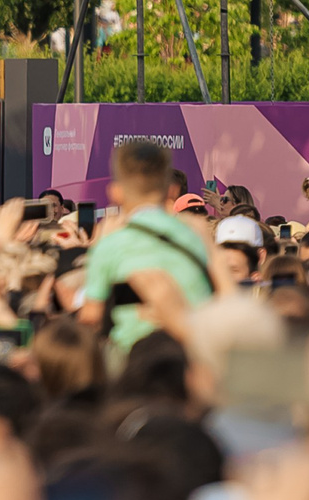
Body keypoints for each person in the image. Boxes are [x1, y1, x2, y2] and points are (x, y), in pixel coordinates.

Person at [80, 139, 213, 346]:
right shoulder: (197, 238)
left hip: (129, 359)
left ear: (115, 192)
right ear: (172, 190)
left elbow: (91, 317)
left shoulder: (109, 245)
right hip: (189, 352)